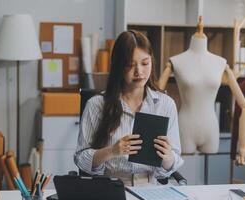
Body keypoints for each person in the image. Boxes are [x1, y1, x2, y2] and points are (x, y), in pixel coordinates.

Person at [74, 30, 184, 186]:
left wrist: (167, 157)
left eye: (145, 63)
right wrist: (112, 151)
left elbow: (173, 162)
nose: (139, 71)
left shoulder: (165, 105)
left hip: (150, 187)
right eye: (130, 65)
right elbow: (81, 158)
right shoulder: (96, 105)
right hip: (109, 187)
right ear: (118, 67)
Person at [158, 17, 245, 165]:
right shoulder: (176, 61)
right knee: (181, 171)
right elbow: (155, 96)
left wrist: (243, 147)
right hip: (184, 127)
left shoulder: (221, 63)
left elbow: (243, 104)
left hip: (211, 129)